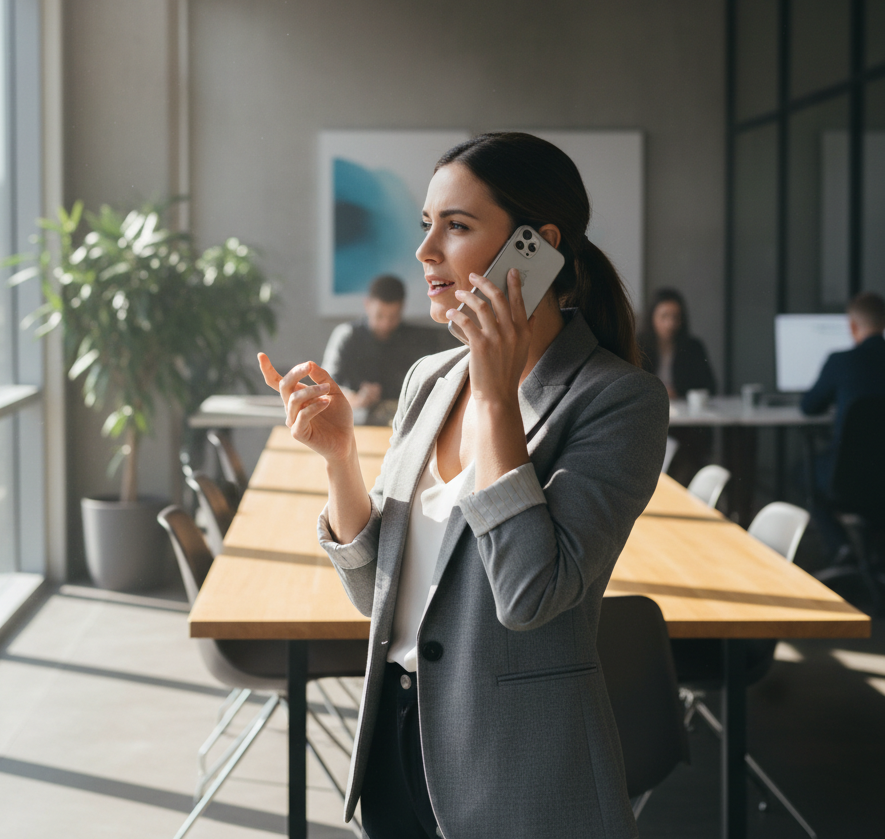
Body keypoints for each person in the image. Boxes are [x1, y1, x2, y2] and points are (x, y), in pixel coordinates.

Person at [259, 132, 668, 839]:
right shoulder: (429, 378)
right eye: (426, 226)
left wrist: (495, 396)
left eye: (456, 226)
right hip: (398, 744)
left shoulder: (617, 400)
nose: (425, 253)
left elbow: (530, 594)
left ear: (535, 247)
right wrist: (339, 460)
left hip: (519, 772)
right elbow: (374, 595)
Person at [801, 291, 885, 561]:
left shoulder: (841, 361)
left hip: (848, 477)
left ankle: (840, 545)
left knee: (802, 472)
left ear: (852, 326)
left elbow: (809, 406)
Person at [322, 274, 453, 426]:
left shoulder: (414, 339)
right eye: (379, 316)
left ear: (402, 307)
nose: (385, 324)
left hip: (402, 424)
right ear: (367, 305)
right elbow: (327, 388)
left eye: (393, 317)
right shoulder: (347, 336)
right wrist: (356, 399)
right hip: (354, 424)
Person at [637, 287, 717, 484]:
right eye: (664, 316)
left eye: (675, 317)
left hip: (684, 424)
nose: (670, 323)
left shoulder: (692, 346)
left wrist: (679, 391)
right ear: (652, 317)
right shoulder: (638, 345)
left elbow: (711, 386)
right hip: (650, 420)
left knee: (686, 452)